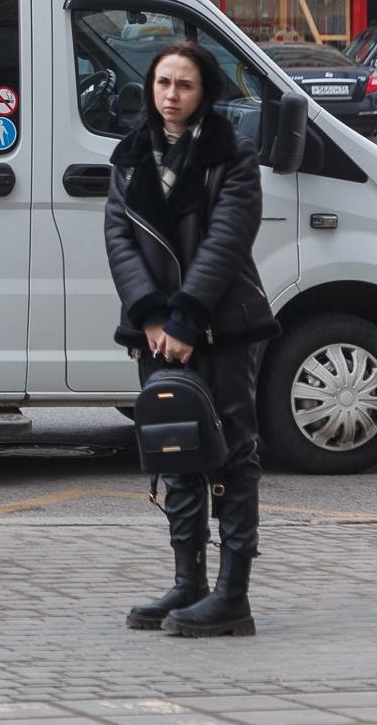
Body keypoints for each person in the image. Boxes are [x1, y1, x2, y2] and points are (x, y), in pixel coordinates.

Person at [104, 41, 280, 638]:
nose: (171, 96)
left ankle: (234, 596)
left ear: (205, 90)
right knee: (174, 449)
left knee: (232, 451)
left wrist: (185, 319)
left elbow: (228, 238)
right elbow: (118, 241)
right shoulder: (130, 157)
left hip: (222, 323)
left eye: (184, 85)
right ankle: (189, 582)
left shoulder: (232, 152)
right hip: (154, 332)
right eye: (162, 84)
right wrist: (152, 317)